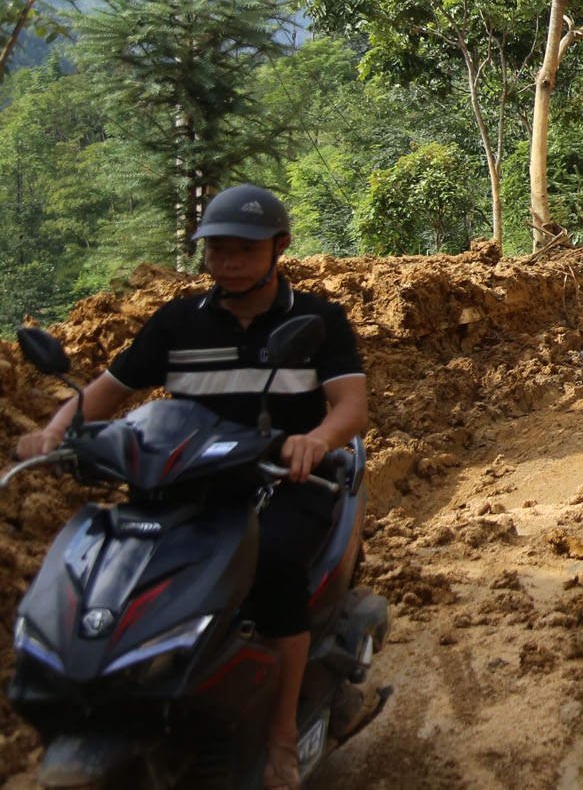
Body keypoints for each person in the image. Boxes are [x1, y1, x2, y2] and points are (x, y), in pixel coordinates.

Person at [14, 184, 368, 790]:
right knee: (111, 565)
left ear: (279, 246)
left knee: (273, 565)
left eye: (244, 249)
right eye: (217, 249)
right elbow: (105, 392)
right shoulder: (179, 320)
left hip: (283, 480)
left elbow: (350, 407)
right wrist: (53, 432)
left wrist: (315, 440)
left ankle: (281, 734)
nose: (228, 262)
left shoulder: (316, 319)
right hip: (184, 482)